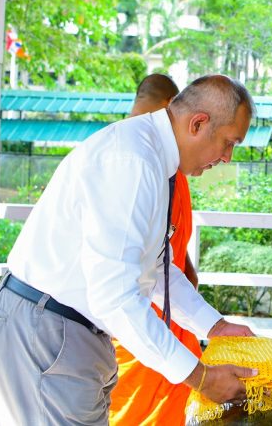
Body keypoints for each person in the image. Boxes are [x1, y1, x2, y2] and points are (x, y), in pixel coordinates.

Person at [0, 75, 258, 425]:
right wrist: (201, 378)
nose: (227, 157)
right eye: (228, 143)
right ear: (198, 124)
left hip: (70, 328)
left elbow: (155, 267)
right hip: (48, 325)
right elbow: (115, 296)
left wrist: (214, 326)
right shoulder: (133, 159)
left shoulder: (155, 157)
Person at [109, 73, 206, 426]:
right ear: (172, 110)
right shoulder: (135, 158)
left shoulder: (162, 162)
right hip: (132, 318)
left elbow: (167, 245)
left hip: (165, 306)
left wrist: (205, 318)